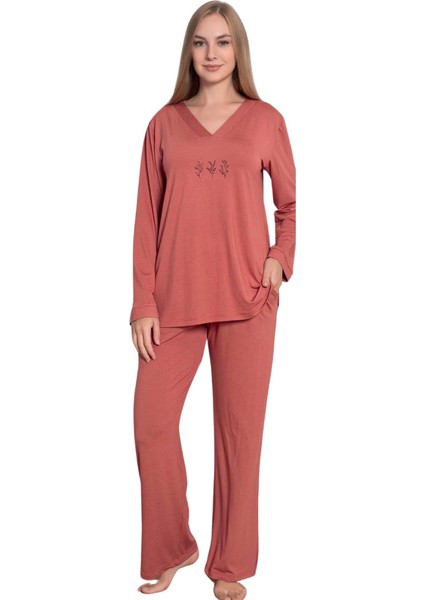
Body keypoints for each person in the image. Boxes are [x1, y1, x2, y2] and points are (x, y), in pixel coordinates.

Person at [129, 2, 296, 598]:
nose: (212, 53)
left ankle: (228, 567)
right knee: (151, 425)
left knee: (239, 436)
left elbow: (288, 206)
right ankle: (173, 546)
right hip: (173, 302)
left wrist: (280, 258)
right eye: (201, 42)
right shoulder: (164, 124)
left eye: (223, 42)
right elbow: (146, 219)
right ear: (189, 51)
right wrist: (143, 303)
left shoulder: (266, 120)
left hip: (249, 297)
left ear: (238, 49)